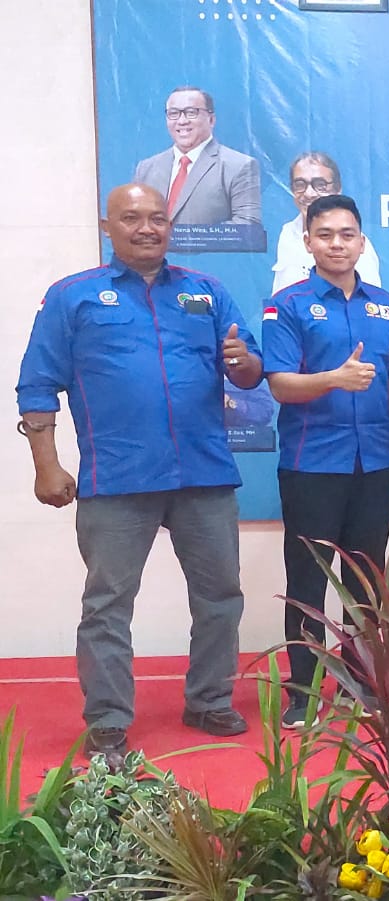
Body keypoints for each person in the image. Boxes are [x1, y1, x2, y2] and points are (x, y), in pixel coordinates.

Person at [16, 183, 261, 763]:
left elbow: (249, 371)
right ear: (109, 227)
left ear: (170, 225)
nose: (146, 227)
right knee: (107, 604)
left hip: (203, 472)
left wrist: (244, 363)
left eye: (157, 217)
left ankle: (208, 700)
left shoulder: (206, 292)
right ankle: (107, 720)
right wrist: (47, 465)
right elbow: (37, 383)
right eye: (131, 218)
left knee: (221, 595)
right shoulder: (72, 295)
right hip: (118, 476)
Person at [263, 194, 389, 727]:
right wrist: (334, 379)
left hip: (375, 461)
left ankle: (364, 684)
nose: (337, 244)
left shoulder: (385, 305)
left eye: (347, 234)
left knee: (366, 580)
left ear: (361, 242)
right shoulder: (287, 304)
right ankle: (304, 694)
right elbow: (280, 384)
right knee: (309, 581)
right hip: (313, 463)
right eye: (326, 234)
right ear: (308, 242)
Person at [132, 86, 262, 228]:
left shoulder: (239, 166)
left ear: (211, 120)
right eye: (173, 113)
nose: (182, 121)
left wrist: (184, 237)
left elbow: (247, 227)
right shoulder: (146, 168)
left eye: (191, 112)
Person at [272, 152, 382, 294]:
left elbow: (367, 300)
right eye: (300, 184)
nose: (309, 193)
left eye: (320, 185)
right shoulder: (288, 233)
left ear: (337, 189)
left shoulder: (352, 246)